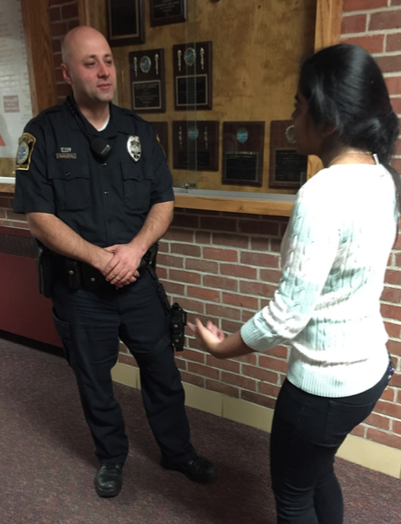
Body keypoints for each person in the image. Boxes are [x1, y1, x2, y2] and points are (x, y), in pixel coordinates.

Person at [189, 43, 399, 524]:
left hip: (324, 387)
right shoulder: (382, 176)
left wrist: (225, 348)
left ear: (327, 119)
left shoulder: (322, 194)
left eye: (299, 106)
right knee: (317, 471)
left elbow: (287, 315)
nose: (291, 115)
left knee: (292, 496)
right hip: (369, 373)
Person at [13, 25, 215, 498]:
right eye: (90, 63)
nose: (103, 71)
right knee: (95, 382)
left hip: (139, 284)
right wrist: (99, 260)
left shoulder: (140, 132)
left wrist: (136, 249)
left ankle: (178, 451)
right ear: (67, 71)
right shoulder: (41, 134)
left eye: (107, 60)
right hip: (82, 290)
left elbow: (163, 202)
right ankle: (112, 458)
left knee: (163, 372)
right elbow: (39, 219)